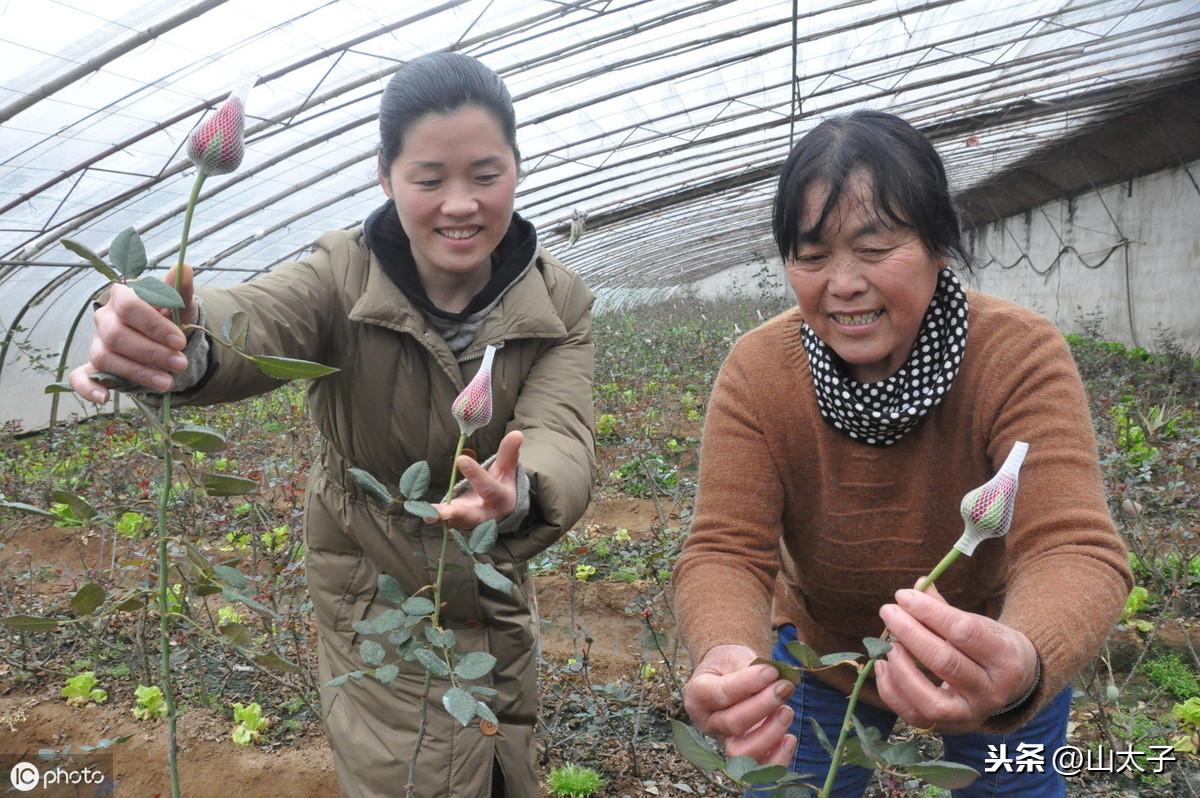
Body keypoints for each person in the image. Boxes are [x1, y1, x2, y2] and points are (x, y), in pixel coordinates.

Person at [69, 52, 595, 798]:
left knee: (500, 751)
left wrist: (524, 488)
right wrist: (178, 339)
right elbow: (250, 323)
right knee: (404, 773)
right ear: (386, 178)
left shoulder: (558, 303)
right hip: (369, 582)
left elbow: (561, 432)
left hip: (489, 574)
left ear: (516, 167)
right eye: (428, 179)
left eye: (485, 176)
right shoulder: (338, 276)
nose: (460, 204)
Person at [673, 110, 1131, 797]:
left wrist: (1025, 659)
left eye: (875, 245)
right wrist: (728, 653)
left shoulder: (1016, 355)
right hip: (823, 657)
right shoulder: (760, 370)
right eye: (812, 254)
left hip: (986, 649)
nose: (843, 283)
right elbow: (725, 550)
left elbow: (1073, 545)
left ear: (939, 243)